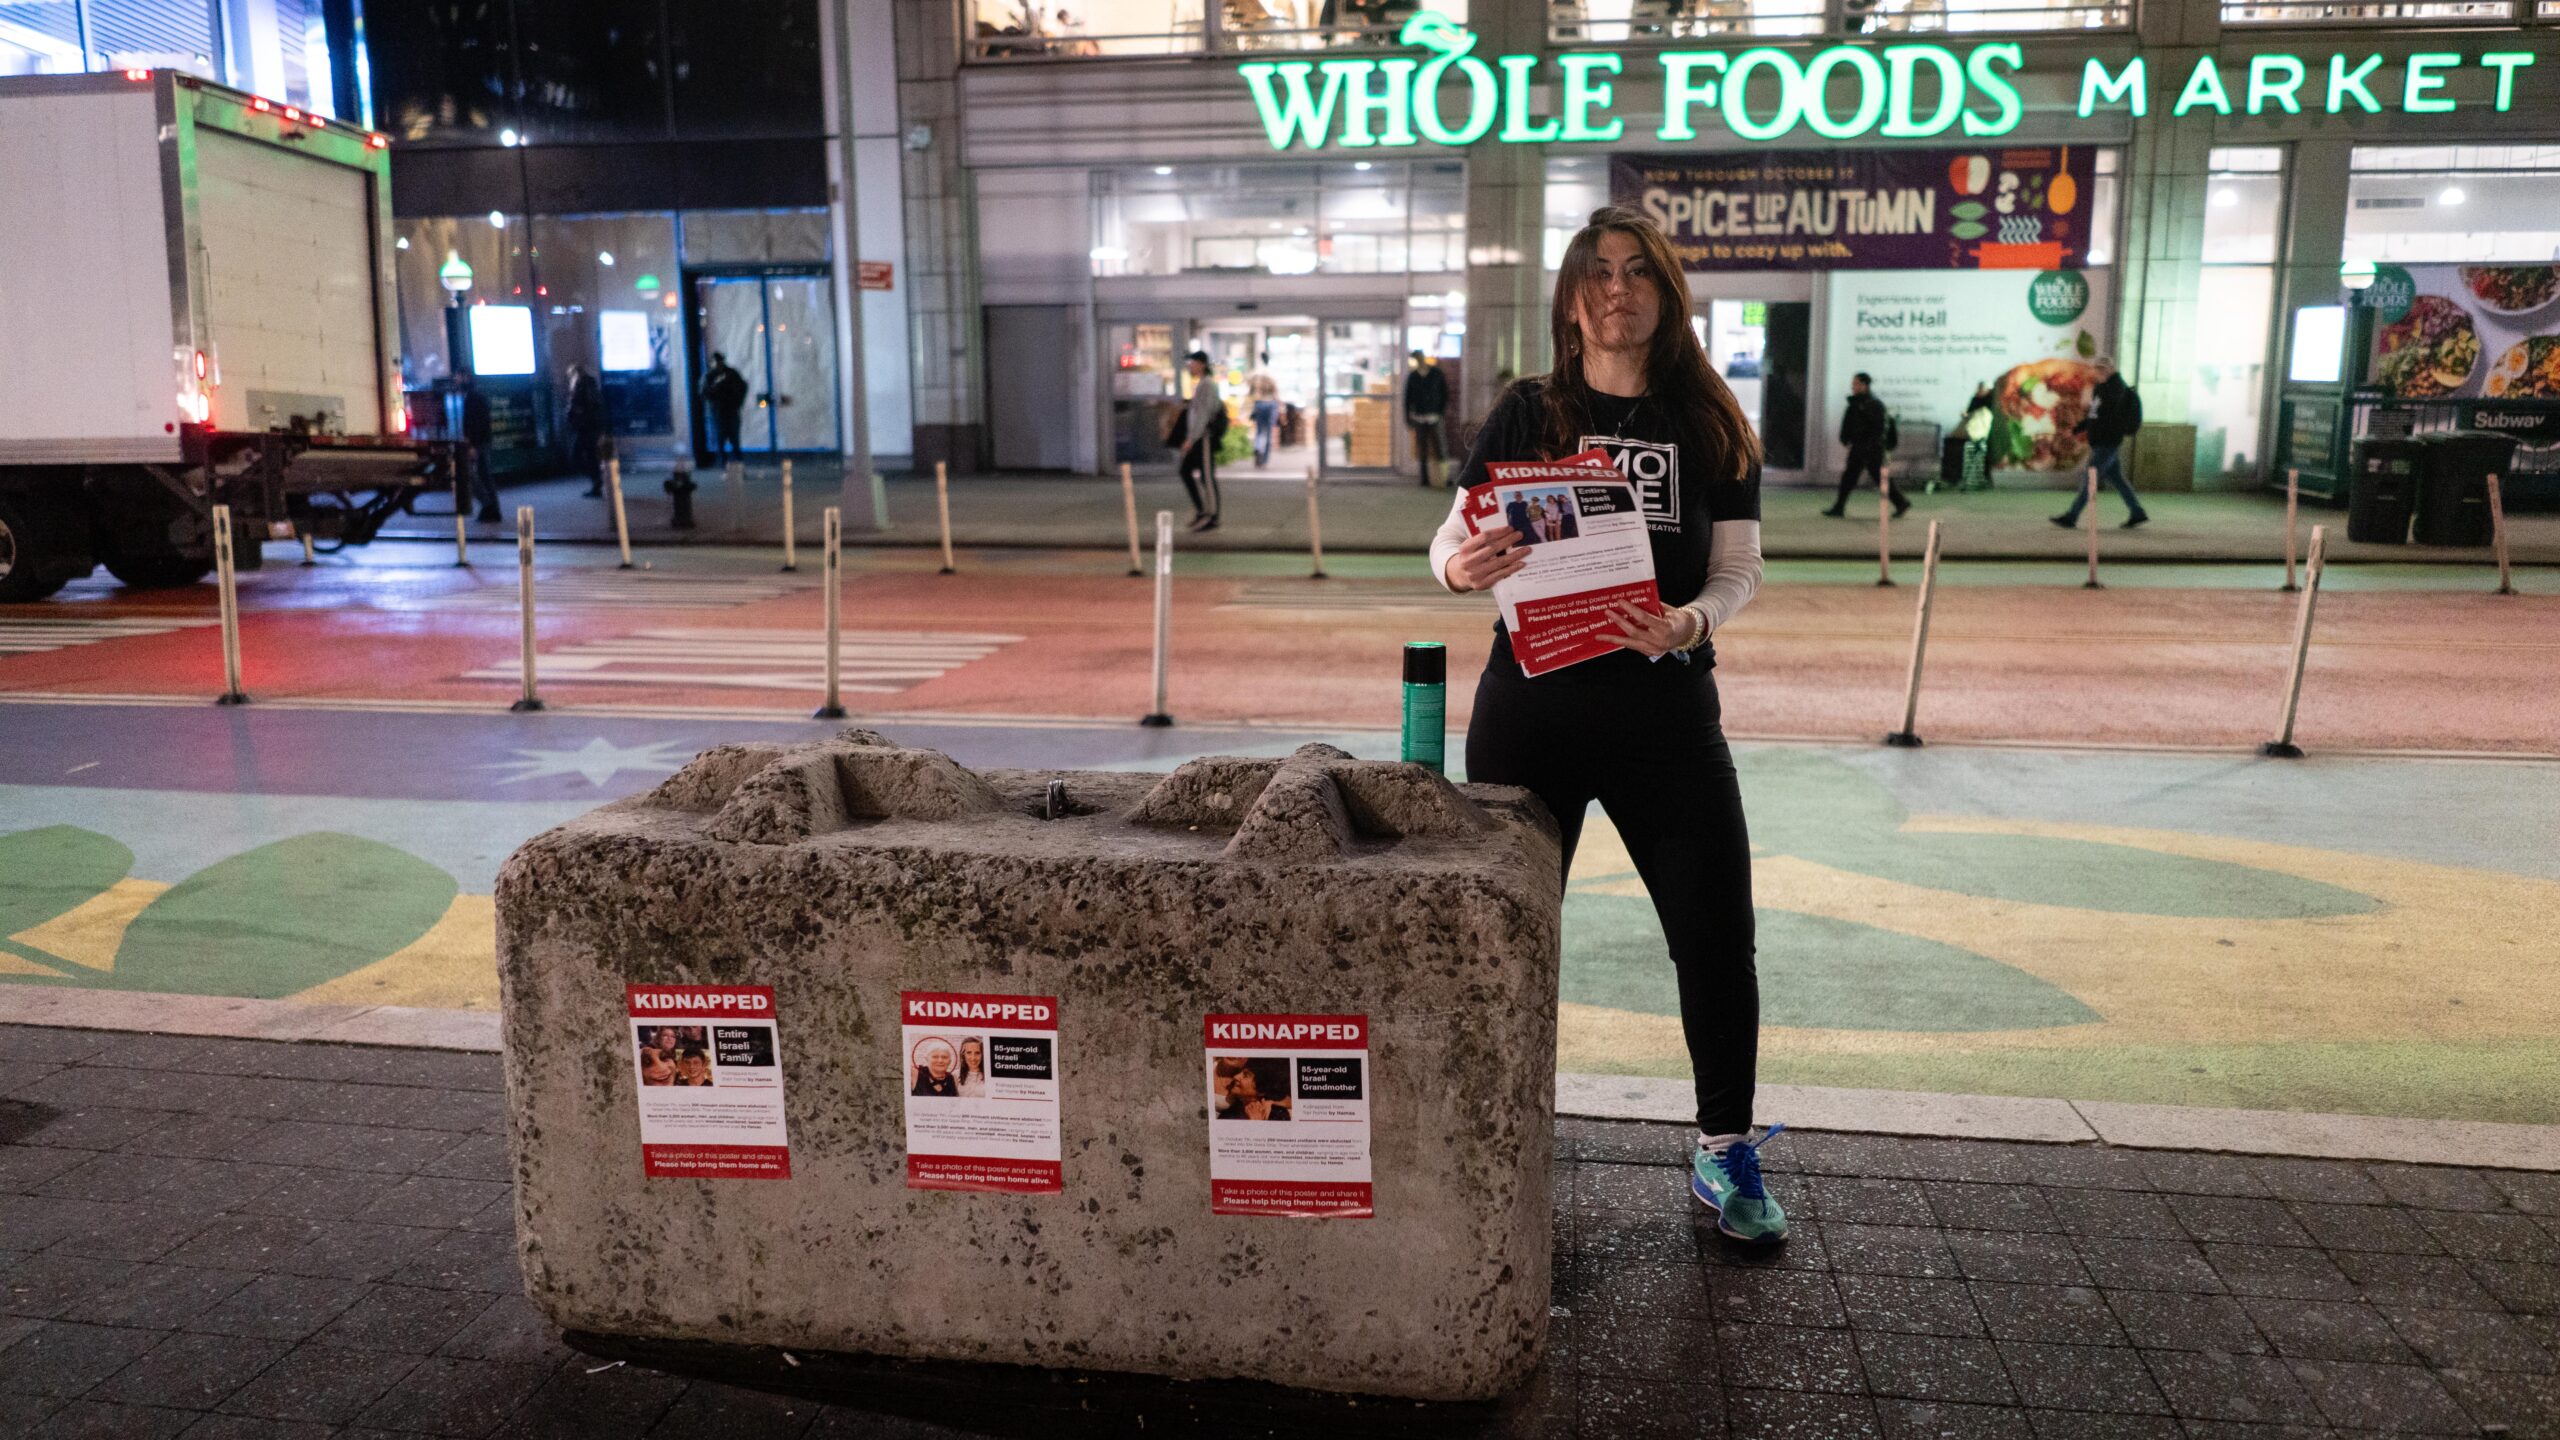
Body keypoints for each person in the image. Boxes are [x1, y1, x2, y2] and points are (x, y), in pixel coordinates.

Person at [1429, 205, 1787, 1246]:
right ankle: (1485, 1135)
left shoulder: (1709, 418)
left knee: (1716, 935)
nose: (1615, 288)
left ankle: (1725, 1150)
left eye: (1636, 271)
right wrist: (1462, 569)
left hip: (1664, 716)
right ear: (1570, 299)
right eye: (1596, 272)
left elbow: (1739, 570)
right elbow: (1452, 539)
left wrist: (1686, 621)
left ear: (1665, 293)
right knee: (1499, 934)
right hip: (1530, 713)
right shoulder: (1527, 411)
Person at [2055, 357, 2149, 530]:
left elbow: (2104, 418)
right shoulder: (2102, 388)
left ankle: (2072, 516)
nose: (2095, 373)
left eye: (2098, 370)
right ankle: (2137, 512)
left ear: (2107, 370)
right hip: (2101, 443)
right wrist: (2076, 430)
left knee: (2090, 478)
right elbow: (2093, 416)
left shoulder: (2116, 390)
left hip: (2107, 443)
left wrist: (2086, 429)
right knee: (2118, 480)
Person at [1825, 372, 1905, 518]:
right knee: (1850, 478)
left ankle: (1901, 503)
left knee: (1876, 479)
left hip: (1870, 449)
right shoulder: (1856, 403)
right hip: (1860, 447)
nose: (1852, 386)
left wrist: (1870, 444)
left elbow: (1879, 428)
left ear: (1864, 385)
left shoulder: (1873, 404)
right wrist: (1845, 438)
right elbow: (1849, 423)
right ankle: (1839, 507)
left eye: (1855, 383)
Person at [1165, 350, 1224, 532]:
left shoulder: (1207, 385)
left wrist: (1190, 440)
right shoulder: (1201, 385)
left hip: (1202, 438)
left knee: (1207, 476)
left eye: (1193, 363)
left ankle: (1212, 516)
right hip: (1196, 438)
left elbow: (1203, 415)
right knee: (1185, 471)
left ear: (1202, 364)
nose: (1190, 366)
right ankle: (1201, 511)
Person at [456, 369, 499, 522]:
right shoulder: (476, 396)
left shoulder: (472, 398)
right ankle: (492, 509)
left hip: (478, 443)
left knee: (471, 475)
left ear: (465, 377)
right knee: (484, 475)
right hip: (482, 441)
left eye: (458, 376)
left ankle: (488, 505)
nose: (456, 380)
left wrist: (472, 444)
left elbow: (475, 423)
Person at [1405, 349, 1450, 488]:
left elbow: (1444, 394)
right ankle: (1424, 479)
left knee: (1440, 448)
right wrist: (1408, 417)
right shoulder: (1413, 376)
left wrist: (1440, 412)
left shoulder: (1436, 374)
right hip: (1419, 417)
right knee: (1422, 448)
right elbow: (1407, 399)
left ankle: (1443, 477)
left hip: (1434, 416)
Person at [563, 364, 607, 498]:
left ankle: (597, 481)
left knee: (582, 456)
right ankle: (597, 481)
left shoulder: (584, 383)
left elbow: (590, 404)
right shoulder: (586, 383)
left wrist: (578, 413)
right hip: (586, 426)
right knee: (588, 456)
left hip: (587, 427)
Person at [701, 352, 750, 461]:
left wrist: (739, 402)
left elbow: (743, 386)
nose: (719, 364)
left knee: (734, 438)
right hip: (718, 411)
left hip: (731, 410)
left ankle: (737, 462)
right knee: (721, 437)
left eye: (720, 362)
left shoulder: (731, 373)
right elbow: (704, 393)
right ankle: (725, 462)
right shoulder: (710, 376)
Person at [1246, 364, 1281, 467]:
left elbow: (1250, 391)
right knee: (1269, 433)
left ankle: (1258, 447)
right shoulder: (1271, 374)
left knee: (1260, 431)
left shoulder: (1255, 374)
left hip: (1259, 403)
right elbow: (1276, 392)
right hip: (1270, 403)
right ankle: (1264, 460)